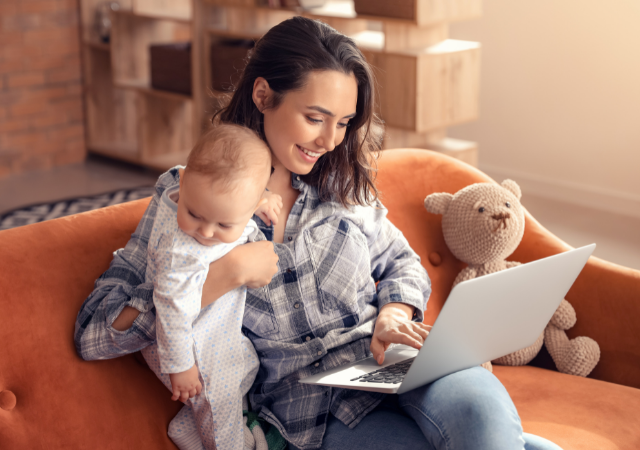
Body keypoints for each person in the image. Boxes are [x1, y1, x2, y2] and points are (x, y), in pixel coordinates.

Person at [75, 16, 562, 450]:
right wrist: (224, 274)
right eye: (315, 118)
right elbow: (95, 335)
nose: (330, 141)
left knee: (479, 417)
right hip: (314, 407)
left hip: (393, 358)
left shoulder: (341, 183)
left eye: (344, 123)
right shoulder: (189, 199)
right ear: (263, 95)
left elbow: (401, 262)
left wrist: (393, 314)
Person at [140, 124, 281, 450]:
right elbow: (171, 310)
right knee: (217, 395)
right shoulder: (180, 253)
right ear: (183, 181)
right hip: (187, 345)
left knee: (244, 369)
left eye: (223, 224)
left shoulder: (219, 200)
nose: (204, 231)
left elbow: (235, 201)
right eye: (194, 213)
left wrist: (262, 202)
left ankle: (189, 429)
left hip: (217, 329)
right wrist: (181, 366)